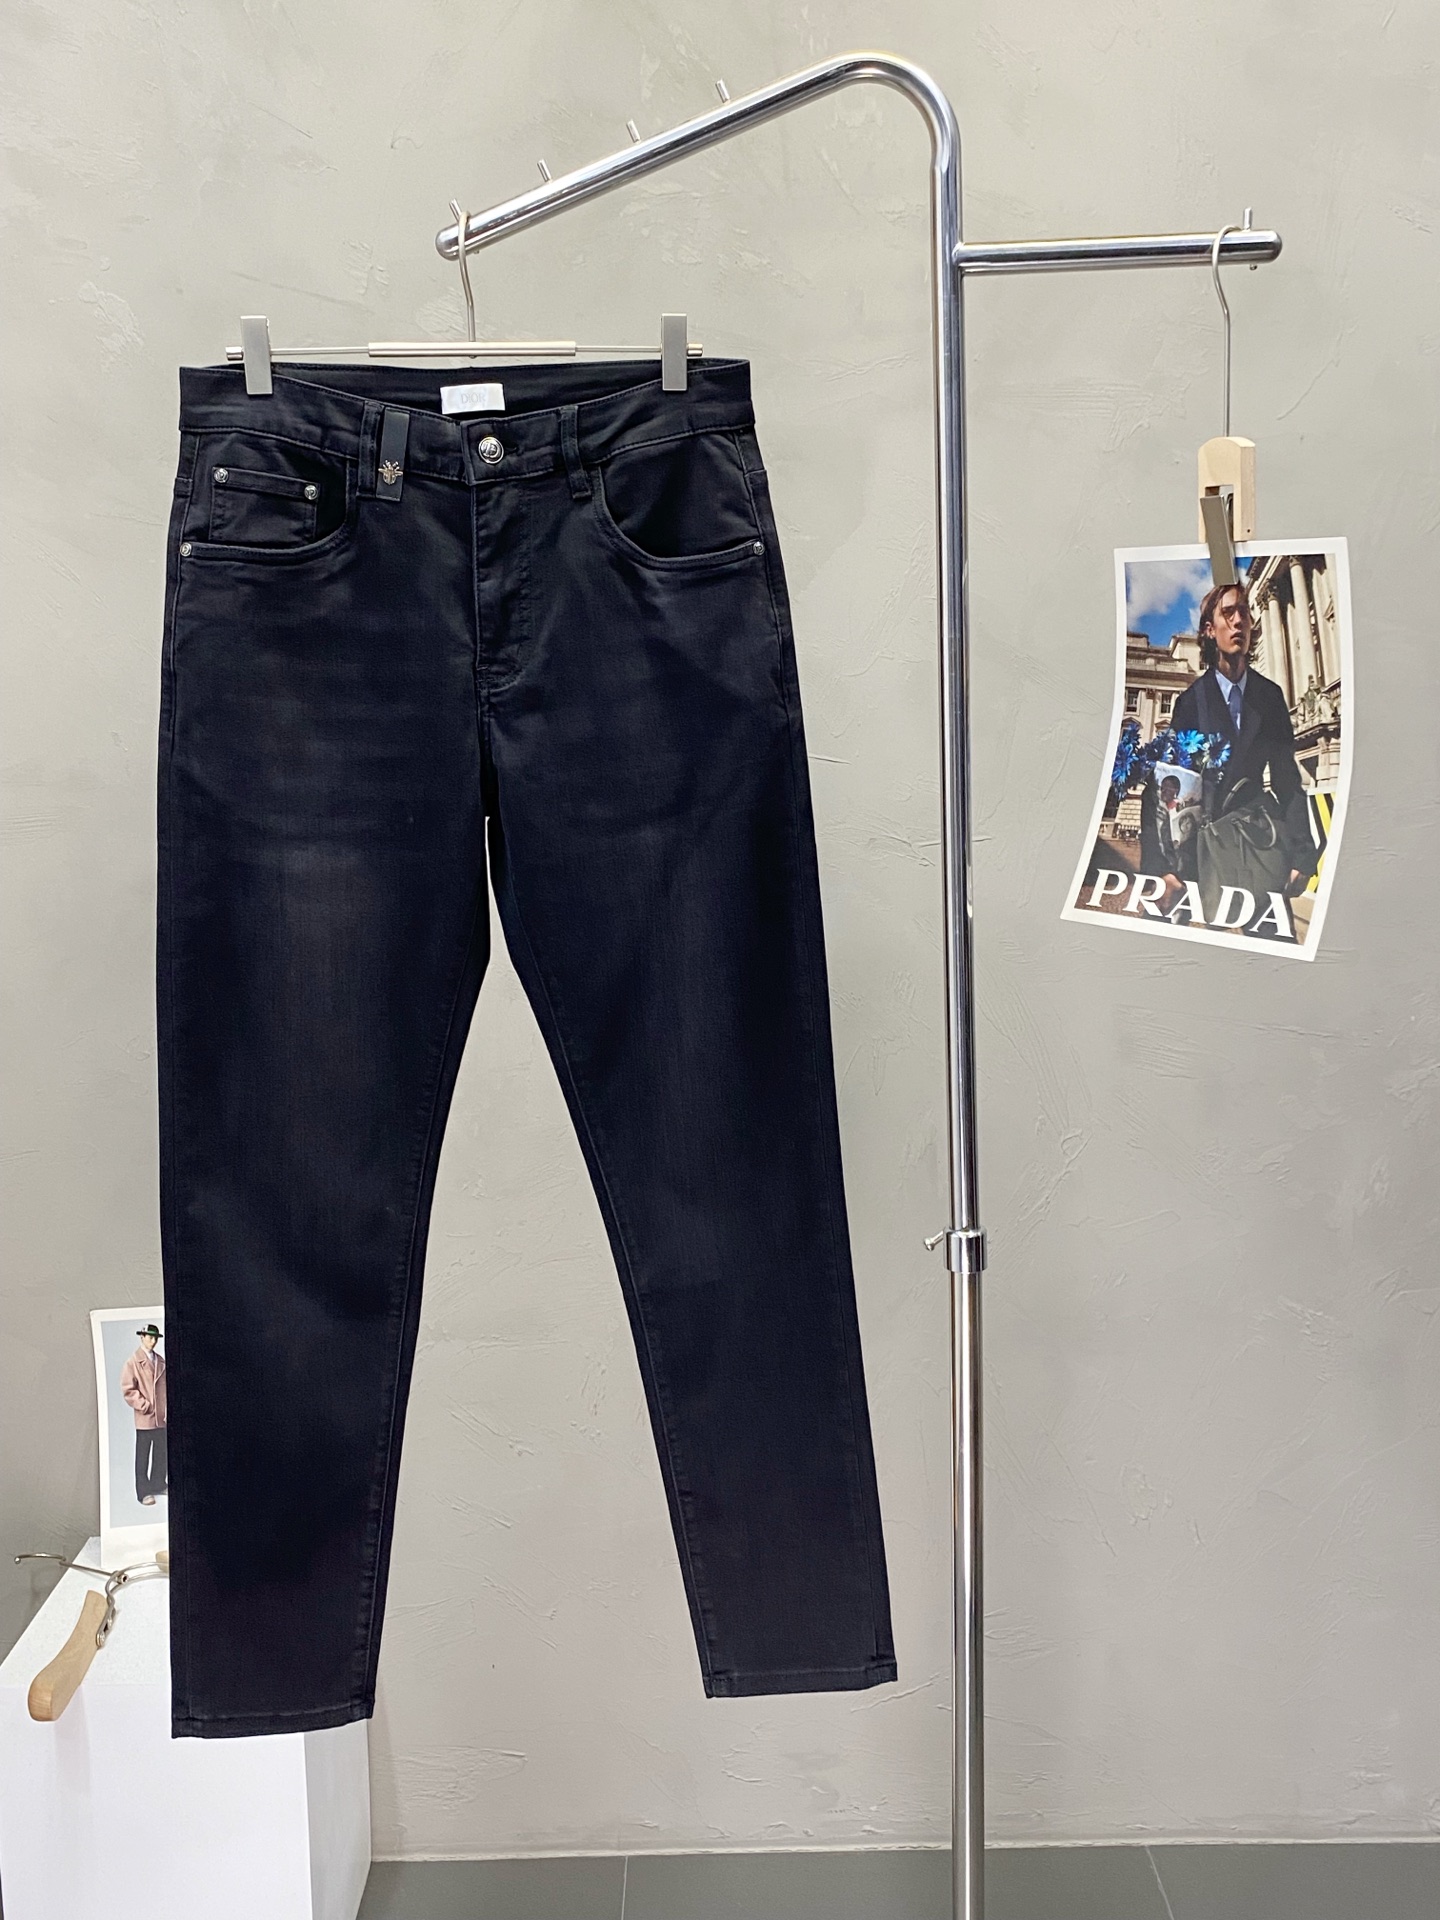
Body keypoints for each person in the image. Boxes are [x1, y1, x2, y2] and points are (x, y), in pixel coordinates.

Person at [1166, 580, 1316, 907]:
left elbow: (1287, 779)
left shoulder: (1270, 696)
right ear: (1209, 629)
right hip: (1205, 851)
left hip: (1260, 842)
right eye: (1228, 613)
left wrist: (1303, 856)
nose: (1238, 621)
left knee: (1272, 937)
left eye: (1244, 613)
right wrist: (1163, 866)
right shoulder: (1190, 702)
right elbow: (1170, 786)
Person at [120, 1323, 168, 1506]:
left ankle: (158, 1483)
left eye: (155, 1338)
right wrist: (144, 1405)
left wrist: (166, 1409)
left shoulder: (161, 1361)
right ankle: (143, 1491)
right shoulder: (133, 1362)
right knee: (143, 1455)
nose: (153, 1341)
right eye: (149, 1337)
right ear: (142, 1337)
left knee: (161, 1452)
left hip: (162, 1418)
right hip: (145, 1417)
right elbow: (128, 1389)